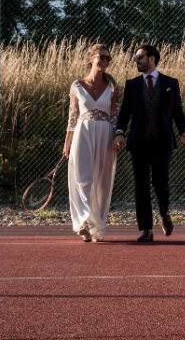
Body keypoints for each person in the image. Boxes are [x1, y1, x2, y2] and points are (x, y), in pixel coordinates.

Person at [113, 44, 185, 242]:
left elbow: (177, 110)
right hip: (138, 143)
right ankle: (146, 229)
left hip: (162, 142)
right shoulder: (132, 85)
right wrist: (119, 132)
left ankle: (164, 213)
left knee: (160, 183)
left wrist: (184, 131)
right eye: (135, 57)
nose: (136, 60)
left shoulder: (170, 83)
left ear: (152, 59)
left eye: (139, 56)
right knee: (141, 186)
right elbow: (124, 114)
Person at [63, 43, 119, 242]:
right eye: (101, 57)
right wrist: (67, 143)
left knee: (102, 182)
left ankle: (97, 226)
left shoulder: (113, 86)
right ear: (90, 59)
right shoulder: (77, 85)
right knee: (83, 178)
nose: (104, 61)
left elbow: (115, 117)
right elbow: (73, 116)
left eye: (108, 58)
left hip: (105, 134)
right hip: (82, 133)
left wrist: (117, 137)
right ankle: (84, 222)